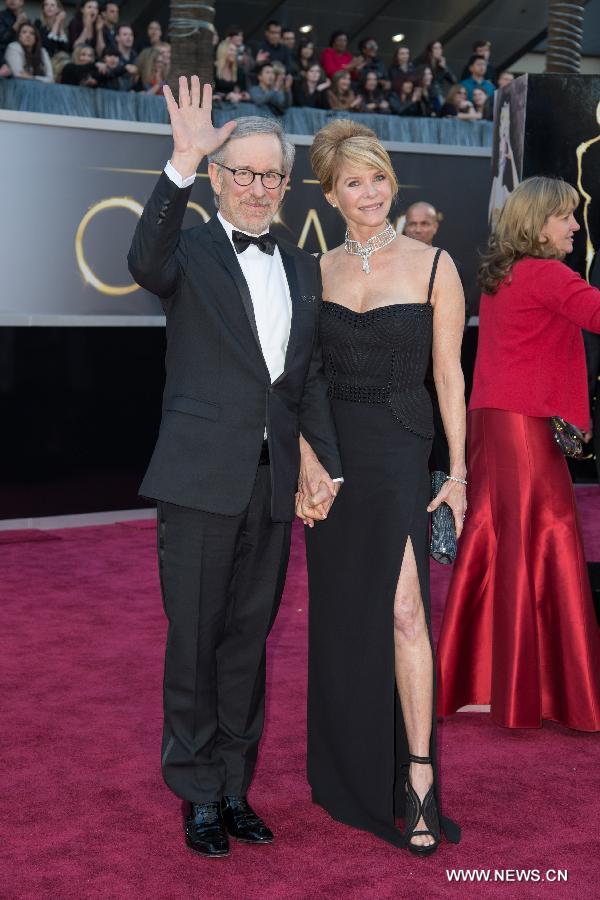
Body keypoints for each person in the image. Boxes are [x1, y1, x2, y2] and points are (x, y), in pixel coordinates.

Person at [127, 79, 342, 858]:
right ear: (220, 179)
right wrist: (179, 162)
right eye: (242, 173)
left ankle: (232, 787)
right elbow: (141, 259)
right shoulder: (185, 247)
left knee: (247, 643)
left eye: (270, 176)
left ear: (286, 186)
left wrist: (327, 467)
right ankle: (195, 795)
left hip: (271, 480)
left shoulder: (299, 262)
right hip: (196, 479)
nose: (256, 188)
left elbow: (306, 377)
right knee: (195, 642)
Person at [297, 119, 464, 854]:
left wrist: (457, 472)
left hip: (400, 446)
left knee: (403, 611)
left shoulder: (434, 265)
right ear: (331, 193)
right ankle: (351, 769)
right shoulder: (318, 270)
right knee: (342, 613)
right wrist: (308, 460)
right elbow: (302, 381)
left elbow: (451, 375)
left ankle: (420, 775)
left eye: (378, 177)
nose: (370, 193)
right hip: (336, 459)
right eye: (354, 182)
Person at [437, 176, 600, 732]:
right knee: (544, 538)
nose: (575, 225)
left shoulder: (507, 275)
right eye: (565, 216)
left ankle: (491, 683)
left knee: (501, 538)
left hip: (498, 421)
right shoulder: (547, 273)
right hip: (522, 427)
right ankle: (543, 691)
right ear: (536, 222)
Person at [0, 0, 28, 68]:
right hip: (3, 58)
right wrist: (17, 24)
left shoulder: (26, 19)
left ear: (22, 2)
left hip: (23, 57)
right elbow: (2, 39)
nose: (12, 0)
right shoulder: (1, 16)